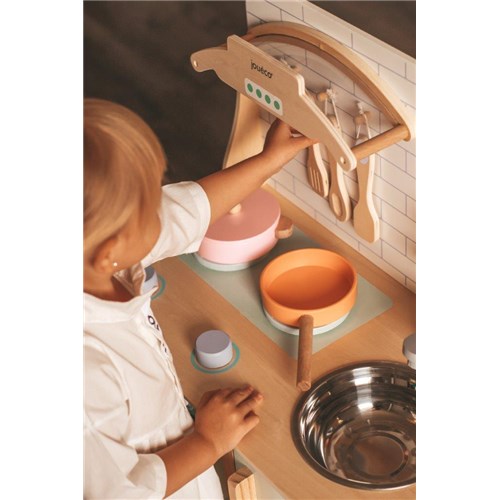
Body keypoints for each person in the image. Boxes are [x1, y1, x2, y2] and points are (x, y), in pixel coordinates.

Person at [84, 98, 314, 499]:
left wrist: (269, 160)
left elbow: (184, 213)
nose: (161, 207)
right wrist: (207, 441)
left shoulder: (91, 258)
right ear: (109, 252)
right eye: (149, 206)